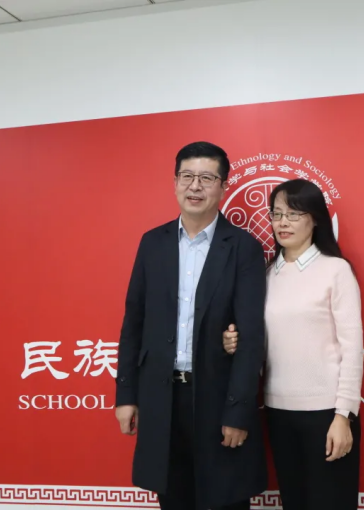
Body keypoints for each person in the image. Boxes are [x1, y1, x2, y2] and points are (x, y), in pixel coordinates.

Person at [114, 141, 268, 510]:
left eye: (206, 178)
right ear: (175, 182)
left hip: (217, 398)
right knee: (173, 498)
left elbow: (250, 338)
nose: (195, 186)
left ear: (223, 186)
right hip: (162, 398)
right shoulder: (153, 243)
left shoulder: (242, 247)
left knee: (225, 499)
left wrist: (238, 411)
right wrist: (126, 396)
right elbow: (133, 323)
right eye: (187, 176)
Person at [221, 179, 364, 510]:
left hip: (326, 414)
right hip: (277, 413)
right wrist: (234, 344)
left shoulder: (336, 270)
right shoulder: (266, 275)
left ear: (315, 219)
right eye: (276, 214)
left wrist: (343, 415)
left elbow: (352, 349)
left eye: (294, 214)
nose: (282, 222)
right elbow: (261, 345)